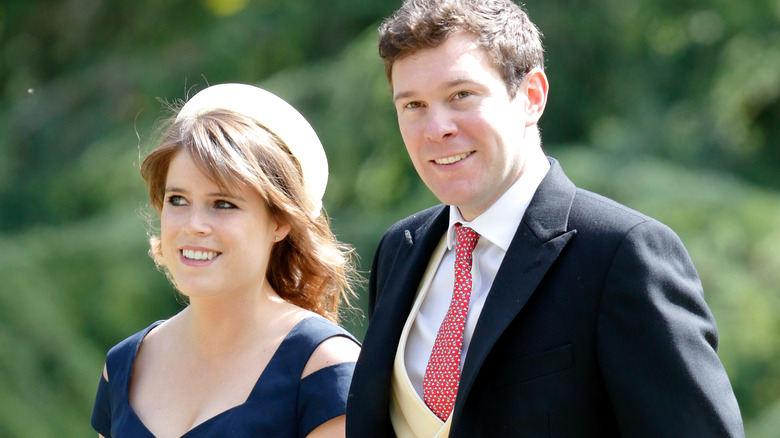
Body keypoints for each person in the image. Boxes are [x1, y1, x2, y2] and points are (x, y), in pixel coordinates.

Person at [346, 0, 744, 436]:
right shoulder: (399, 249)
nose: (435, 128)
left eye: (461, 95)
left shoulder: (622, 255)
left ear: (531, 97)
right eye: (413, 105)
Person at [90, 83, 361, 438]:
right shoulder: (125, 365)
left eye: (223, 204)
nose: (193, 225)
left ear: (280, 222)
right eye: (177, 200)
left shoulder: (325, 368)